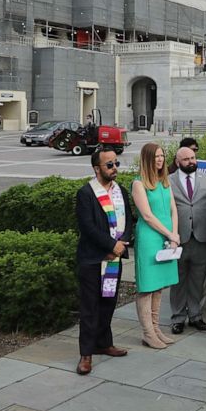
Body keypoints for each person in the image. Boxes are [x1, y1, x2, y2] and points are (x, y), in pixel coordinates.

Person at [74, 147, 135, 374]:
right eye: (109, 165)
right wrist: (110, 246)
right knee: (90, 307)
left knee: (108, 302)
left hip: (113, 259)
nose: (114, 168)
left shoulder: (120, 191)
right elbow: (87, 227)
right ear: (97, 168)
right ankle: (86, 354)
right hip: (92, 260)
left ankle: (104, 343)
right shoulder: (86, 193)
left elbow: (128, 219)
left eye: (116, 163)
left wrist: (122, 244)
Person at [168, 145, 206, 335]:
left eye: (193, 158)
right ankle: (178, 318)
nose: (191, 162)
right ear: (177, 162)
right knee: (178, 280)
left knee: (199, 280)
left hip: (203, 237)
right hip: (178, 238)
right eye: (186, 159)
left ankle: (196, 316)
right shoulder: (168, 181)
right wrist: (169, 235)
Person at [131, 143, 180, 349]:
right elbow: (148, 216)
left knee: (160, 286)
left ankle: (156, 327)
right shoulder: (139, 184)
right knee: (147, 286)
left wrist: (175, 234)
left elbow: (173, 210)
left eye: (161, 156)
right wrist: (169, 233)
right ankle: (147, 333)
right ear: (147, 159)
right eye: (155, 157)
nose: (159, 160)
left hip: (167, 238)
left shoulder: (165, 183)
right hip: (150, 239)